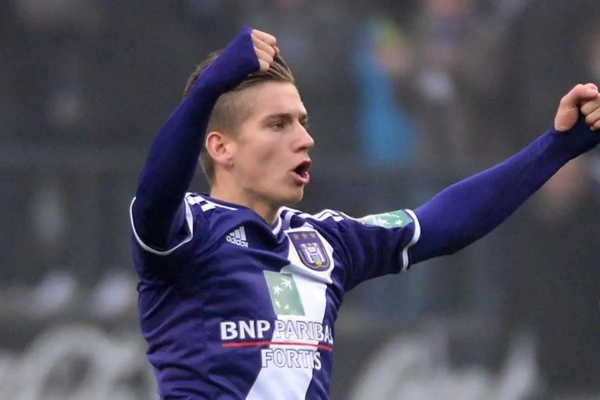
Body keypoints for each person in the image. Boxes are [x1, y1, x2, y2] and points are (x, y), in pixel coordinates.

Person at [129, 27, 600, 399]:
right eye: (278, 124)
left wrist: (556, 148)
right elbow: (155, 194)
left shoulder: (325, 242)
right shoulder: (188, 231)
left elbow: (445, 221)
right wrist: (207, 90)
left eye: (302, 122)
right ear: (221, 148)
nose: (304, 139)